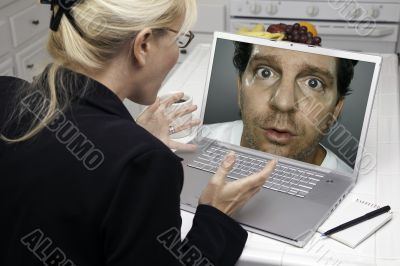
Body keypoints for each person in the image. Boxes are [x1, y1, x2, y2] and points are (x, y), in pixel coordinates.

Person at [0, 1, 276, 265]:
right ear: (143, 45)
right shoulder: (145, 163)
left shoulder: (6, 92)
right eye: (178, 40)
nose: (177, 52)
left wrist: (131, 139)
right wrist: (216, 215)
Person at [205, 41, 358, 174]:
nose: (283, 103)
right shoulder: (193, 144)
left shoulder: (359, 196)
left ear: (336, 109)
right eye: (265, 73)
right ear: (240, 89)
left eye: (313, 83)